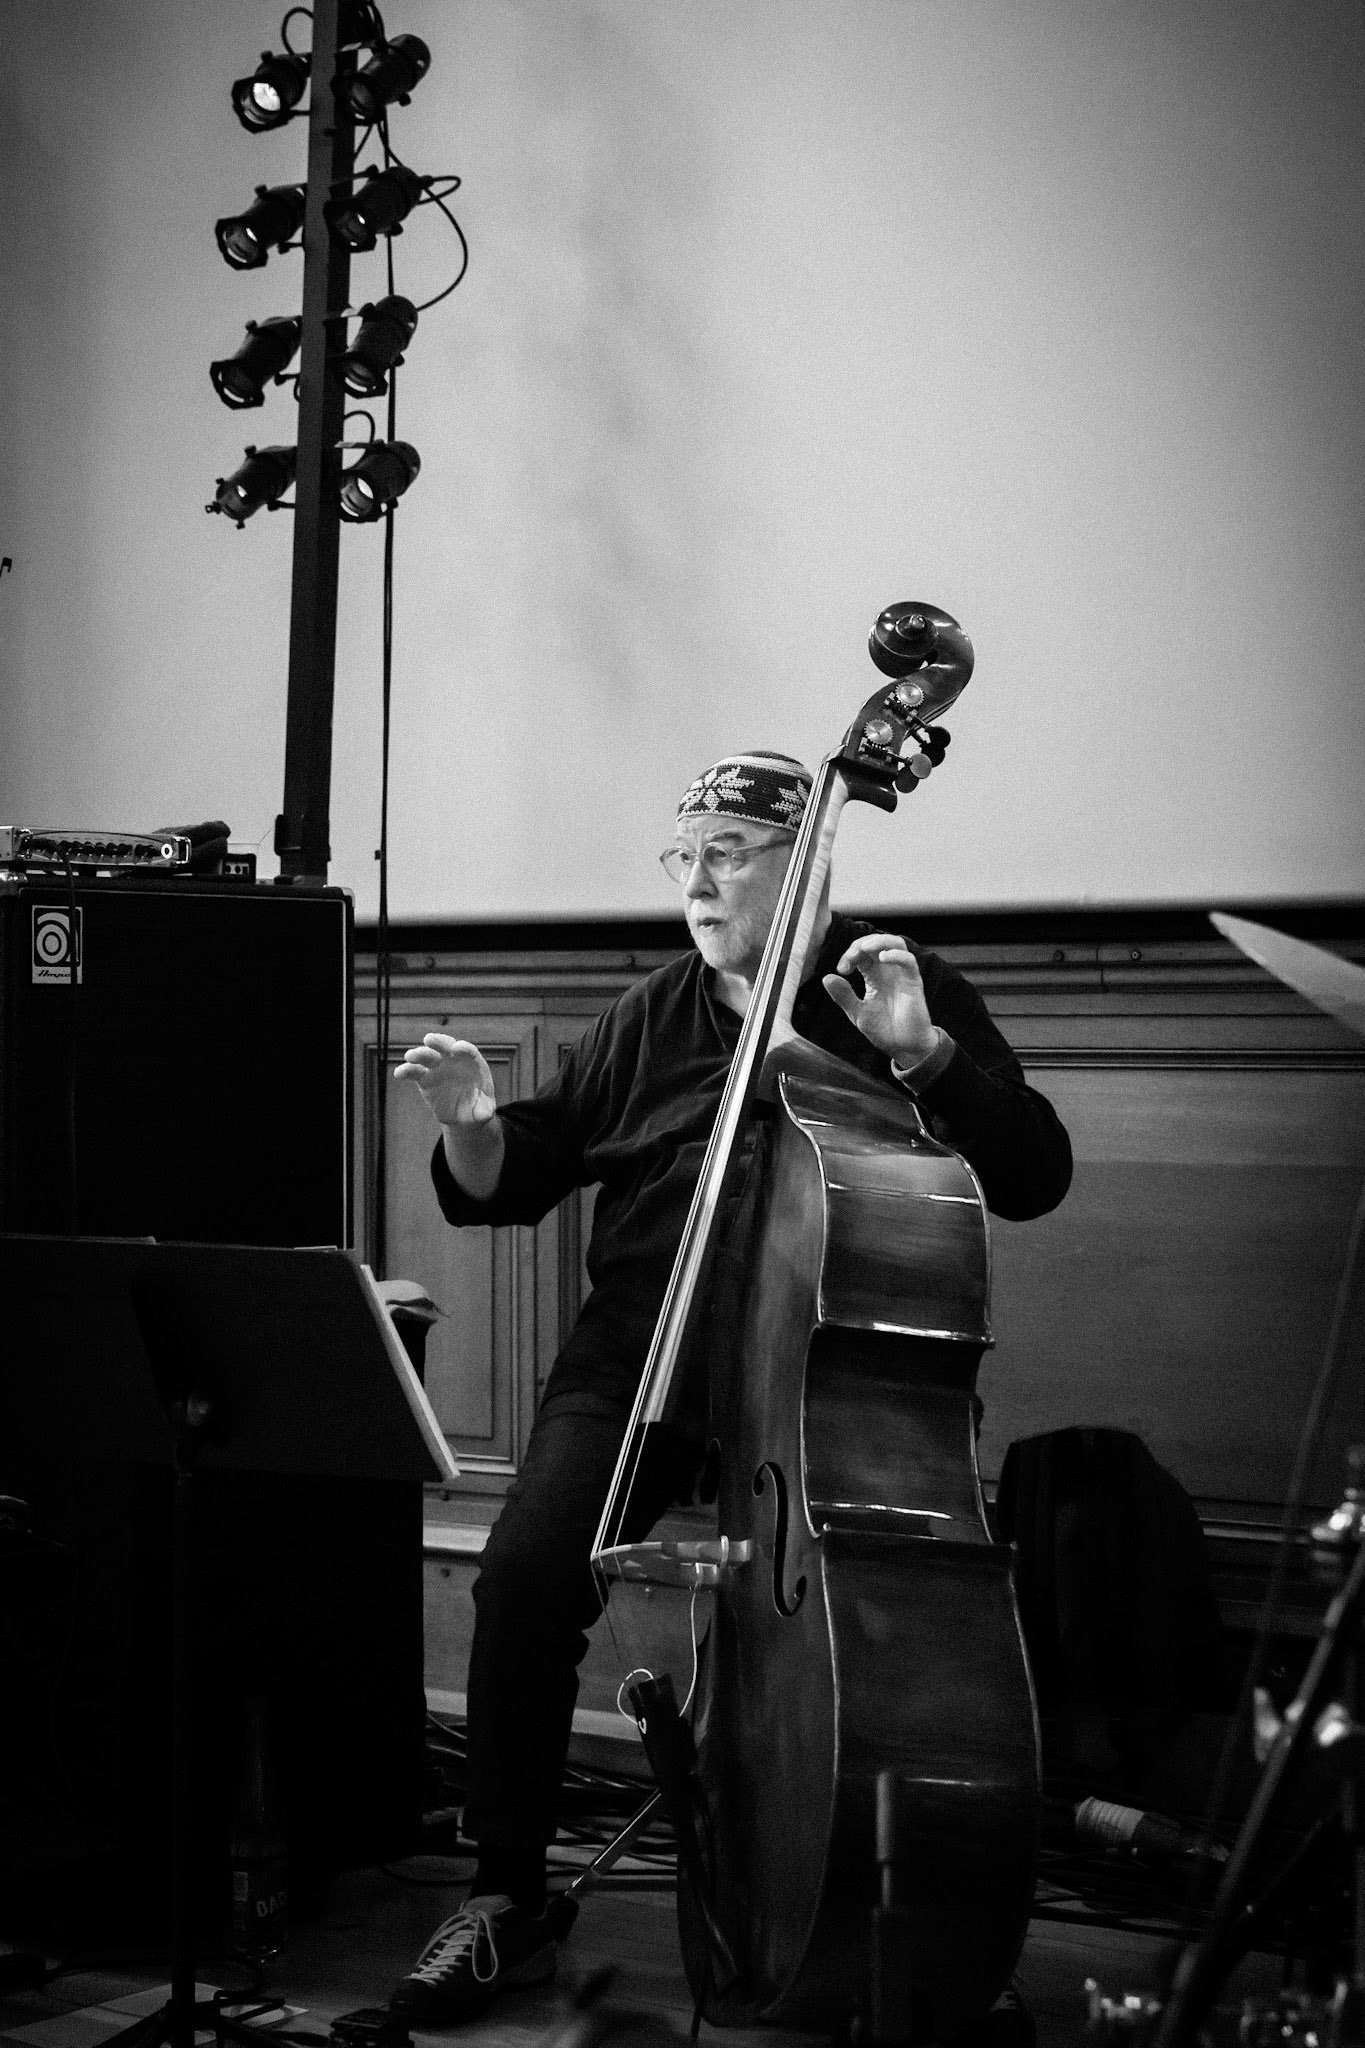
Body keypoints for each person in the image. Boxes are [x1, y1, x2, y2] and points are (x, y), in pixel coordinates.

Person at [389, 750, 1072, 2022]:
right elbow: (526, 1166)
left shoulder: (889, 987)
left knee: (872, 1644)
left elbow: (1034, 1169)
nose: (696, 880)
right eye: (683, 855)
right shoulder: (653, 1009)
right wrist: (476, 1126)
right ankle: (505, 1896)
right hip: (641, 1358)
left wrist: (925, 1055)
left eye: (731, 853)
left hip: (836, 1390)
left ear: (806, 862)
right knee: (527, 1574)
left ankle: (907, 1900)